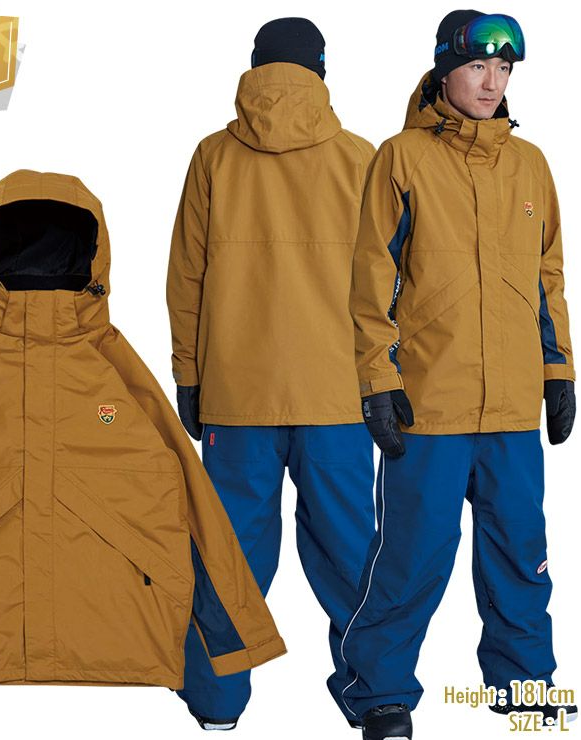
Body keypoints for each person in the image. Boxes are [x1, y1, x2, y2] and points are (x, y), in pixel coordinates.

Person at [332, 11, 577, 740]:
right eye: (477, 67)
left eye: (504, 69)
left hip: (511, 409)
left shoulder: (530, 164)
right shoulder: (401, 158)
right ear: (445, 70)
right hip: (429, 404)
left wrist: (558, 370)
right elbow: (370, 280)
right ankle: (379, 692)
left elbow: (548, 277)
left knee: (521, 558)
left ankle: (524, 688)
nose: (492, 82)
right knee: (410, 560)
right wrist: (377, 380)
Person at [166, 16, 378, 731]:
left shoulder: (213, 158)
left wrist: (189, 375)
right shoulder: (361, 159)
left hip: (237, 397)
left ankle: (216, 705)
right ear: (321, 71)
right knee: (353, 558)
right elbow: (393, 287)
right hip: (338, 396)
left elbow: (186, 278)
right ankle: (374, 701)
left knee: (227, 560)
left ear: (255, 68)